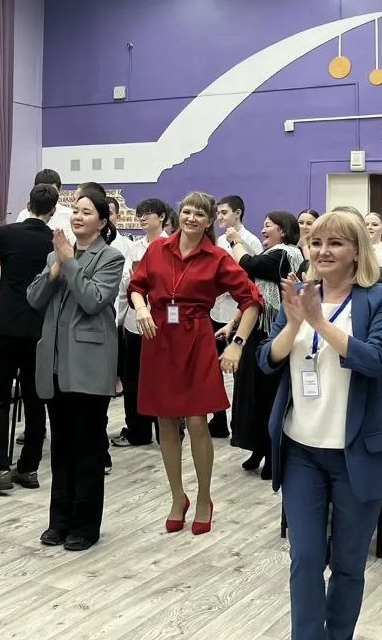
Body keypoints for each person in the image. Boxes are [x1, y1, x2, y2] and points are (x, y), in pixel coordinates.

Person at [259, 210, 382, 640]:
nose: (323, 251)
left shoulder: (379, 298)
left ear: (356, 252)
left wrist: (319, 322)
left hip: (356, 452)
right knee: (306, 557)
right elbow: (268, 358)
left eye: (336, 243)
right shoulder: (299, 293)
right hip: (302, 450)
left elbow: (378, 359)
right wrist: (293, 323)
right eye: (317, 242)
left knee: (348, 562)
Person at [128, 192, 263, 535]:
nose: (191, 218)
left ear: (209, 221)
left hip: (196, 338)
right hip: (159, 337)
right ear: (179, 214)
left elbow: (252, 300)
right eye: (187, 211)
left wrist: (236, 345)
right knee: (165, 421)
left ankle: (204, 498)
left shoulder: (217, 257)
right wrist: (141, 307)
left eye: (200, 214)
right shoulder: (158, 249)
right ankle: (178, 497)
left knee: (197, 422)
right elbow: (137, 286)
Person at [27, 189, 124, 550]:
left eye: (87, 212)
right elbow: (34, 298)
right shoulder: (56, 254)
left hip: (89, 364)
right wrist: (56, 266)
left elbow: (93, 300)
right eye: (76, 211)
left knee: (87, 448)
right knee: (62, 447)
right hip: (55, 362)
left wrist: (69, 262)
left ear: (102, 221)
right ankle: (59, 521)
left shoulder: (110, 257)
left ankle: (85, 525)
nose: (78, 217)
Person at [0, 184, 57, 493]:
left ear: (28, 205)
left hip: (6, 326)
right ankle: (29, 468)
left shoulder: (7, 234)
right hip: (39, 328)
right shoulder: (54, 240)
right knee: (35, 398)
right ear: (53, 210)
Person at [228, 210, 304, 478]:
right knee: (251, 393)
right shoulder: (275, 254)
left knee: (268, 396)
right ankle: (257, 447)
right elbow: (253, 292)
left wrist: (235, 240)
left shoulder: (285, 254)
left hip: (274, 334)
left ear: (282, 231)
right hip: (257, 330)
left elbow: (248, 264)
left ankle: (273, 454)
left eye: (268, 225)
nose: (263, 230)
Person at [112, 198, 169, 448]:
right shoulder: (135, 247)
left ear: (162, 217)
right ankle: (137, 430)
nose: (143, 218)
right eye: (140, 214)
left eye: (148, 214)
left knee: (161, 379)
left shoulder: (170, 245)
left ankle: (168, 430)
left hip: (162, 323)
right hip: (134, 322)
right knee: (132, 378)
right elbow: (126, 282)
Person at [208, 195, 261, 438]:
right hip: (216, 311)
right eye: (218, 213)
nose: (219, 217)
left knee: (239, 370)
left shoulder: (250, 241)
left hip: (239, 313)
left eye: (224, 213)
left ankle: (240, 424)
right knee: (213, 367)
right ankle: (218, 418)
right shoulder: (218, 241)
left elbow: (254, 279)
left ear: (237, 213)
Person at [15, 168, 73, 236]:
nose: (46, 195)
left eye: (51, 191)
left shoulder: (69, 215)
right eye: (41, 190)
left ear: (60, 189)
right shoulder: (24, 215)